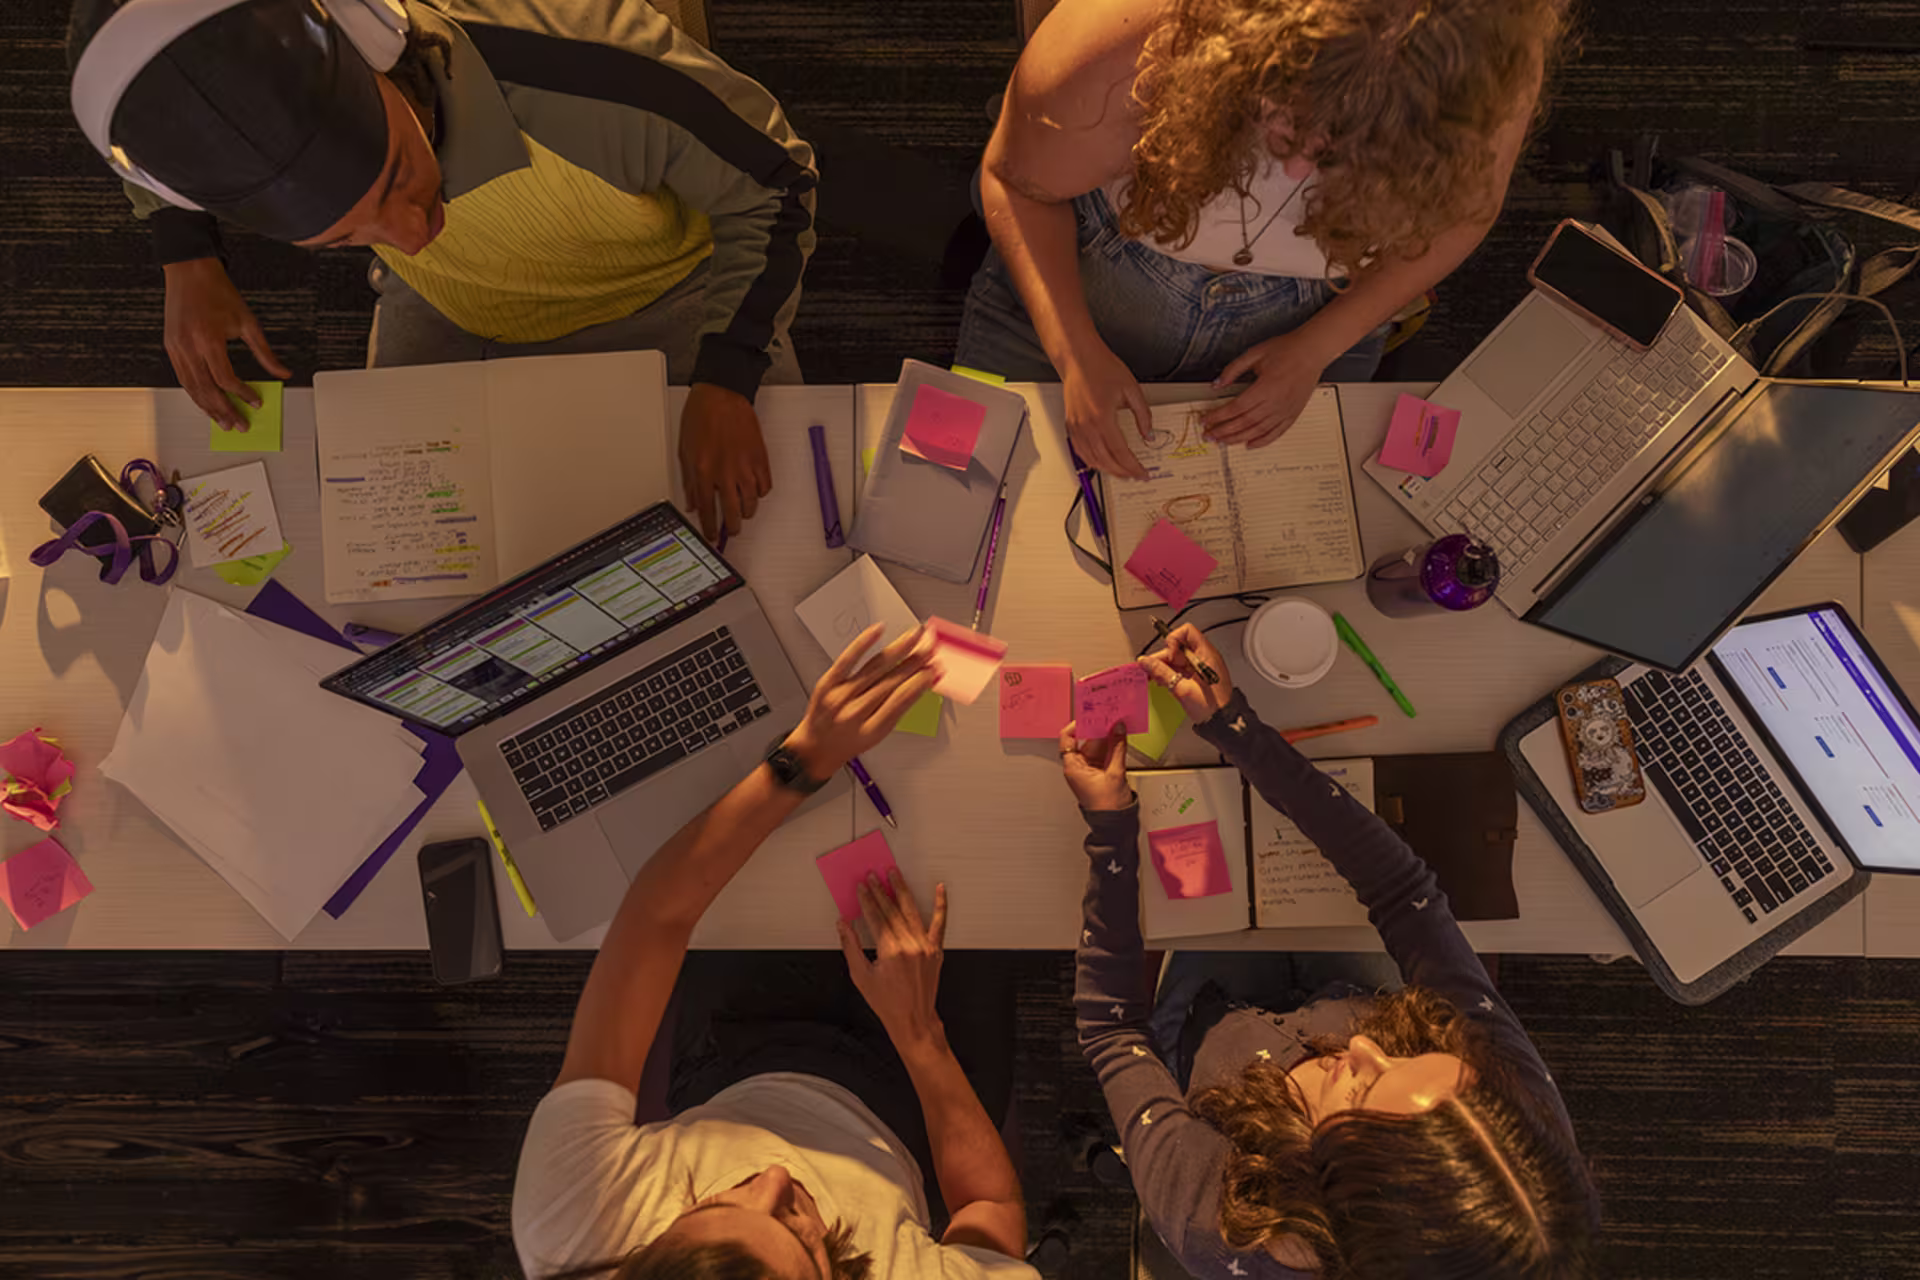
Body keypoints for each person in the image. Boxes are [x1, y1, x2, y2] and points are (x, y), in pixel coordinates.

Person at [66, 0, 816, 541]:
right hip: (454, 307)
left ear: (377, 40)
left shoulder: (585, 62)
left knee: (760, 549)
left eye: (396, 178)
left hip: (670, 286)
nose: (411, 238)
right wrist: (185, 249)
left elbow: (777, 184)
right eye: (345, 238)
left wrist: (728, 373)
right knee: (397, 580)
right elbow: (152, 64)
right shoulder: (411, 237)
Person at [1060, 622, 1599, 1278]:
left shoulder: (1218, 1223)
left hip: (1215, 1045)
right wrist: (1239, 732)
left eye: (1362, 1091)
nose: (1370, 1050)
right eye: (1423, 1060)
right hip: (1349, 993)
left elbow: (1113, 1031)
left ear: (1333, 1195)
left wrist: (1111, 829)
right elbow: (1402, 893)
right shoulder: (1506, 1122)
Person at [511, 623, 1039, 1280]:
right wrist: (920, 1034)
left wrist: (804, 759)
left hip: (743, 1059)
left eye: (709, 1202)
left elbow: (655, 918)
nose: (774, 1175)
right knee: (1006, 858)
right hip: (915, 1114)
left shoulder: (574, 1226)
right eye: (795, 1227)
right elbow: (990, 1209)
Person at [957, 0, 1570, 479]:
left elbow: (1462, 218)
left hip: (1321, 312)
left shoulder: (1477, 67)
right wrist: (1075, 353)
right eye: (1289, 118)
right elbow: (1015, 187)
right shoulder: (1131, 38)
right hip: (1083, 283)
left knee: (1266, 570)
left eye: (1341, 152)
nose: (1300, 169)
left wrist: (1316, 347)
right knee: (977, 506)